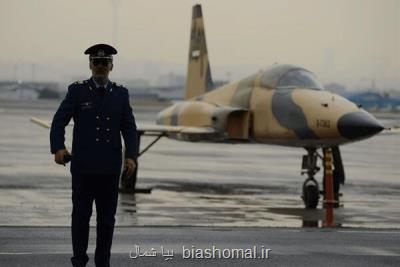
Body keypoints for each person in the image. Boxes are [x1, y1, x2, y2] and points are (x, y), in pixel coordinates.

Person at [50, 43, 138, 267]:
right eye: (96, 62)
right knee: (80, 217)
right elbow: (59, 120)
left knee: (106, 221)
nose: (100, 66)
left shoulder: (120, 94)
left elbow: (129, 127)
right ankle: (79, 260)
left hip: (109, 168)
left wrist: (132, 157)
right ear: (90, 65)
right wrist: (58, 148)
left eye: (104, 63)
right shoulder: (77, 91)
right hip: (83, 167)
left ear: (111, 66)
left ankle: (103, 262)